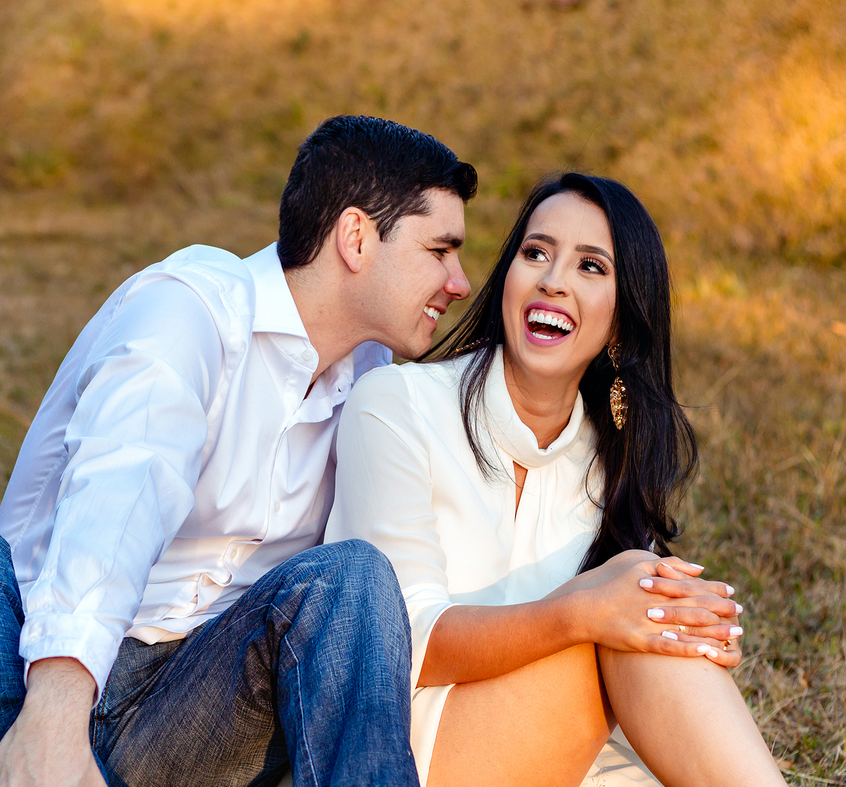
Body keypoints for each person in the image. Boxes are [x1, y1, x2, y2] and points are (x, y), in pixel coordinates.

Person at [0, 115, 479, 787]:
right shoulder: (192, 310)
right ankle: (29, 765)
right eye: (440, 250)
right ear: (356, 238)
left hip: (189, 711)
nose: (459, 282)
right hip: (28, 678)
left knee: (352, 575)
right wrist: (55, 713)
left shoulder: (371, 379)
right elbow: (121, 497)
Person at [325, 173, 788, 787]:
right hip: (399, 752)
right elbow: (402, 645)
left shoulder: (610, 458)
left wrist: (700, 635)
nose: (554, 279)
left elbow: (627, 644)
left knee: (646, 607)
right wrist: (584, 611)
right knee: (634, 601)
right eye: (535, 253)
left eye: (591, 267)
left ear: (622, 320)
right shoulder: (394, 405)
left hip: (561, 751)